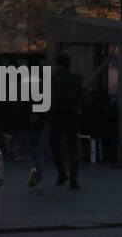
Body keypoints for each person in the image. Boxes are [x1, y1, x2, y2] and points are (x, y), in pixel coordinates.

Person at [48, 52, 83, 189]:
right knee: (73, 148)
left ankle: (62, 172)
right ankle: (74, 179)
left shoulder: (55, 78)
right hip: (72, 115)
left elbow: (52, 98)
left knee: (55, 145)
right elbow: (81, 97)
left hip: (58, 116)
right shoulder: (77, 78)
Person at [22, 106, 47, 189]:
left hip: (27, 124)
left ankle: (32, 168)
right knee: (41, 153)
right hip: (43, 122)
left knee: (26, 150)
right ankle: (39, 181)